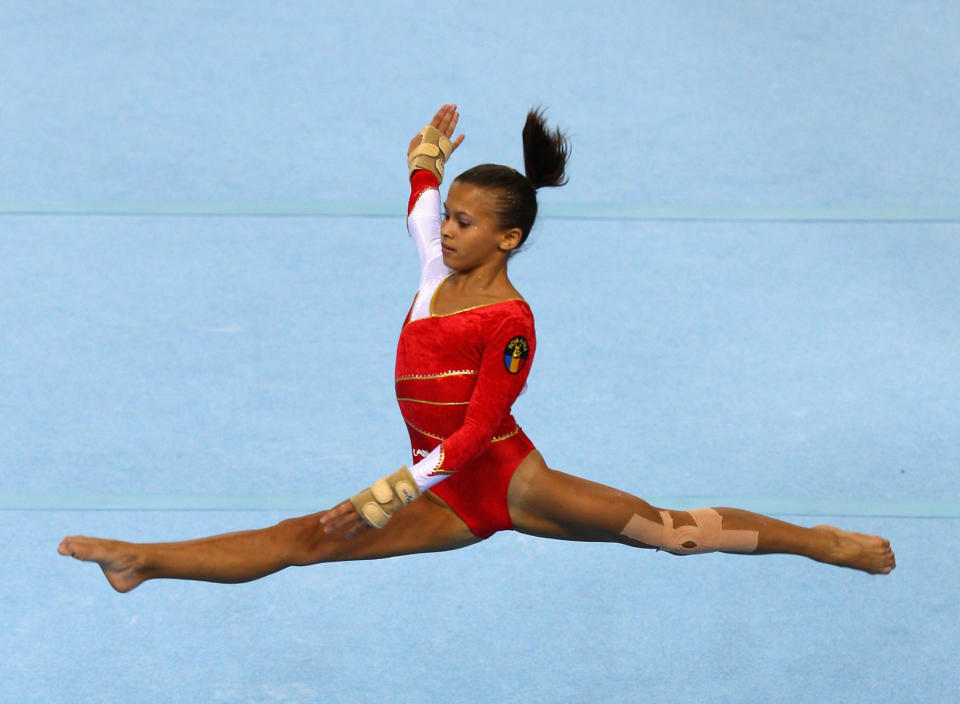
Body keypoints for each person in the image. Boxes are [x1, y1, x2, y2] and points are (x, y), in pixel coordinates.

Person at [58, 104, 895, 592]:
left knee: (673, 531)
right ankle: (144, 561)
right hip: (444, 492)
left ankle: (818, 540)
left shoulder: (511, 323)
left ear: (510, 240)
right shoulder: (436, 263)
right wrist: (427, 156)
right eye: (451, 216)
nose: (448, 230)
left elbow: (474, 433)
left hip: (509, 481)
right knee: (304, 537)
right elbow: (419, 199)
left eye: (467, 222)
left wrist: (384, 496)